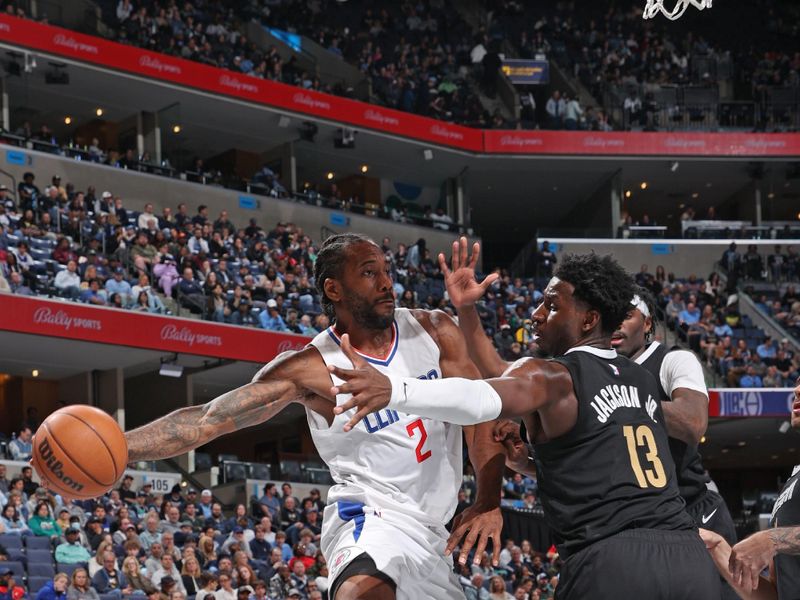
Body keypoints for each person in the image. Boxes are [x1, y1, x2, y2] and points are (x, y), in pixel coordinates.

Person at [330, 238, 721, 599]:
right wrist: (531, 464)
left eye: (551, 305)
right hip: (687, 558)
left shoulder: (553, 375)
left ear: (588, 320)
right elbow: (610, 463)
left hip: (612, 561)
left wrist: (394, 389)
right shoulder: (641, 379)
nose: (535, 315)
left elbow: (478, 395)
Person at [122, 233, 506, 600]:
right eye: (370, 273)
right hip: (370, 515)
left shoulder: (435, 330)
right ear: (333, 289)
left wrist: (488, 498)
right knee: (361, 592)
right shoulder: (311, 368)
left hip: (432, 536)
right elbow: (209, 419)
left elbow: (480, 415)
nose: (387, 283)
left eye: (386, 272)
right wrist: (121, 448)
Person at [611, 287, 739, 600]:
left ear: (647, 323)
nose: (615, 324)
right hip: (640, 522)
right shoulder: (598, 373)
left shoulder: (673, 359)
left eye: (626, 315)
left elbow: (693, 423)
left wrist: (625, 401)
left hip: (692, 506)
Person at [701, 380, 800, 599]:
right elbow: (776, 594)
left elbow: (775, 541)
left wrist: (772, 540)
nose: (797, 390)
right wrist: (719, 548)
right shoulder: (793, 482)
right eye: (798, 383)